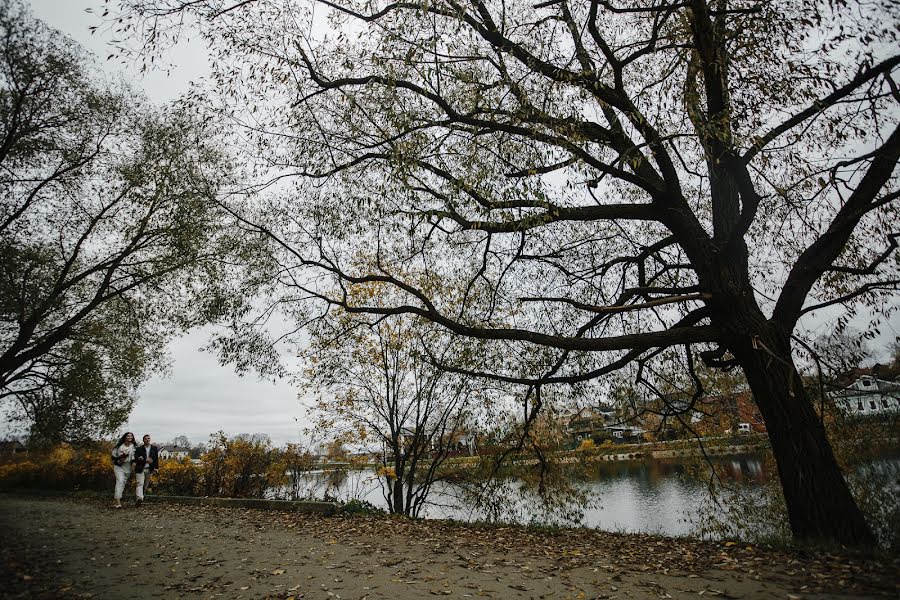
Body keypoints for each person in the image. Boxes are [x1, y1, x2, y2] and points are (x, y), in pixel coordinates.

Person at [111, 432, 135, 508]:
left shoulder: (133, 446)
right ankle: (118, 502)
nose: (130, 437)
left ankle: (117, 499)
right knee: (120, 481)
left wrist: (134, 463)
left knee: (123, 483)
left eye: (131, 436)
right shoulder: (119, 446)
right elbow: (113, 457)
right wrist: (120, 458)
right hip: (119, 467)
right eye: (128, 436)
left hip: (128, 467)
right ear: (125, 437)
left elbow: (135, 457)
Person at [133, 434, 159, 507]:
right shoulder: (139, 449)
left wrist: (156, 468)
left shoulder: (154, 448)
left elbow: (156, 459)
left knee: (145, 485)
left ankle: (140, 500)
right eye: (146, 439)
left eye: (148, 438)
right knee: (139, 484)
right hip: (140, 469)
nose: (147, 440)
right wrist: (145, 460)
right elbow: (136, 459)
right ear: (143, 440)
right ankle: (139, 498)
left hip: (149, 469)